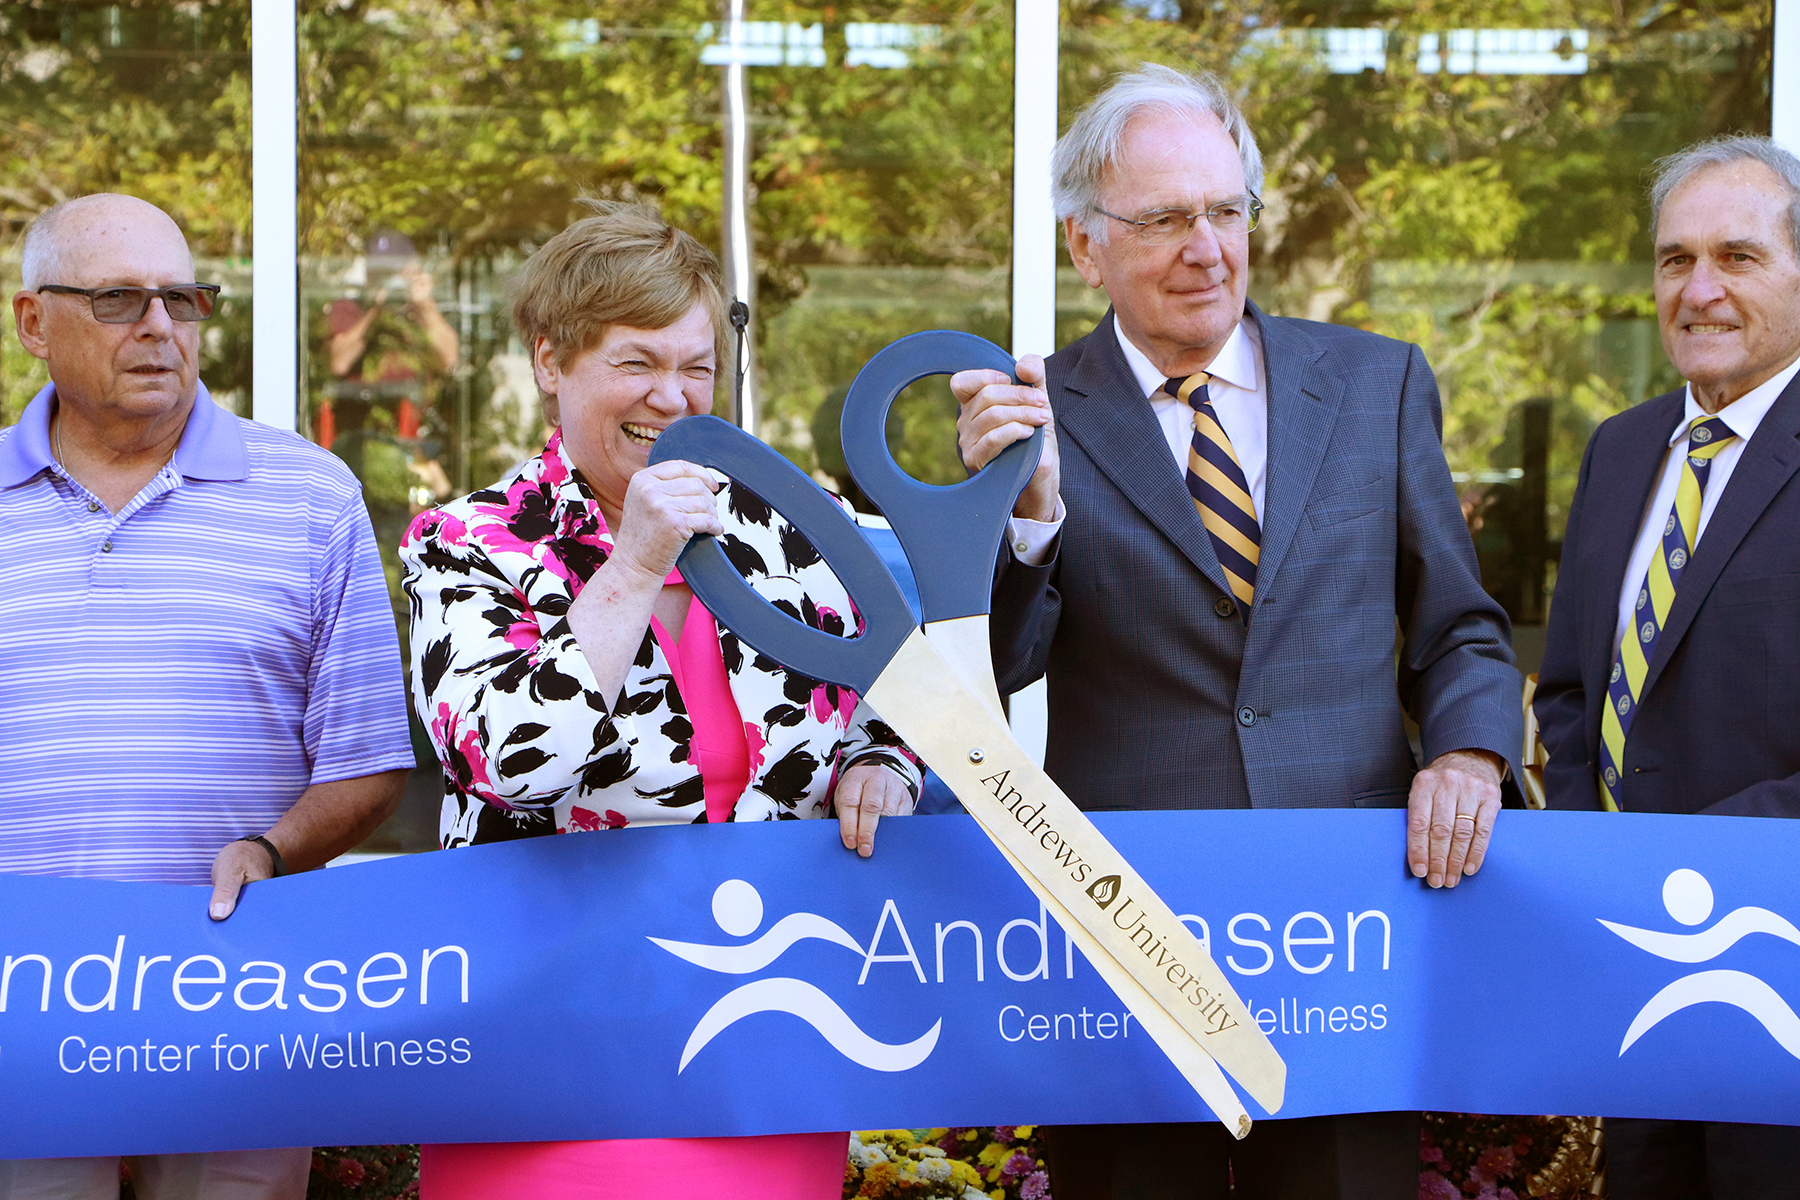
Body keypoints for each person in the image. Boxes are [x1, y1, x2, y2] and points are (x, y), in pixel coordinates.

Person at [952, 65, 1522, 1199]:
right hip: (1126, 926)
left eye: (1226, 210)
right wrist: (1029, 519)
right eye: (1164, 218)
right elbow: (999, 664)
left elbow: (1459, 624)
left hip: (1345, 926)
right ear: (1085, 245)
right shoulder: (1026, 410)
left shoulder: (1377, 382)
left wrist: (1468, 749)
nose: (1205, 247)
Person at [399, 201, 921, 1198]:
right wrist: (634, 564)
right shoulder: (467, 544)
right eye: (637, 363)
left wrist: (881, 764)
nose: (672, 399)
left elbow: (890, 690)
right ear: (551, 362)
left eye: (695, 369)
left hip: (762, 1032)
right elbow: (505, 765)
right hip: (549, 1040)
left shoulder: (788, 532)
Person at [0, 194, 414, 1197]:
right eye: (117, 300)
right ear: (31, 323)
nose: (159, 327)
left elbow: (368, 763)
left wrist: (273, 852)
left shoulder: (311, 496)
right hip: (22, 1010)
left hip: (234, 999)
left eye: (182, 300)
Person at [1533, 135, 1800, 1196]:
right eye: (1674, 258)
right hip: (1639, 982)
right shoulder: (1621, 447)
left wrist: (1683, 867)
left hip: (1777, 974)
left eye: (1738, 257)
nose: (1699, 291)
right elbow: (1567, 693)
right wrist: (1591, 872)